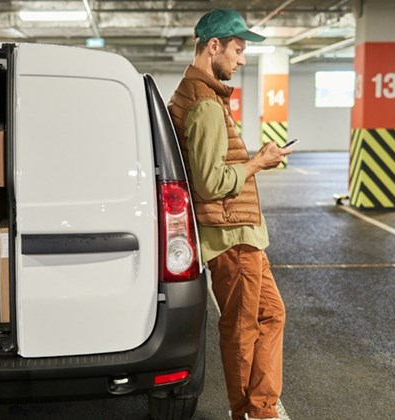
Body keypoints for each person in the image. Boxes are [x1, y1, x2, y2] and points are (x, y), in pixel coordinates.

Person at [167, 8, 290, 420]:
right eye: (237, 50)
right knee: (241, 330)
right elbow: (209, 182)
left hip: (243, 234)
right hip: (232, 237)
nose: (241, 59)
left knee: (271, 314)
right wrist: (259, 163)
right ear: (213, 46)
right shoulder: (204, 104)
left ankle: (261, 405)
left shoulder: (204, 95)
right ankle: (250, 412)